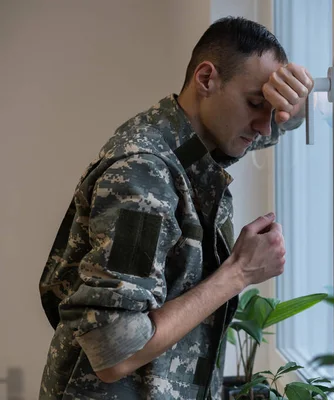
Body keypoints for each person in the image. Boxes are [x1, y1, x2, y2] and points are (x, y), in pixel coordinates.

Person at [38, 16, 314, 400]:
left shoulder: (188, 142)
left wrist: (296, 107)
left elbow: (266, 131)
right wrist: (239, 273)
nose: (265, 127)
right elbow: (114, 350)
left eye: (272, 109)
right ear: (206, 79)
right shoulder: (144, 176)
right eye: (255, 103)